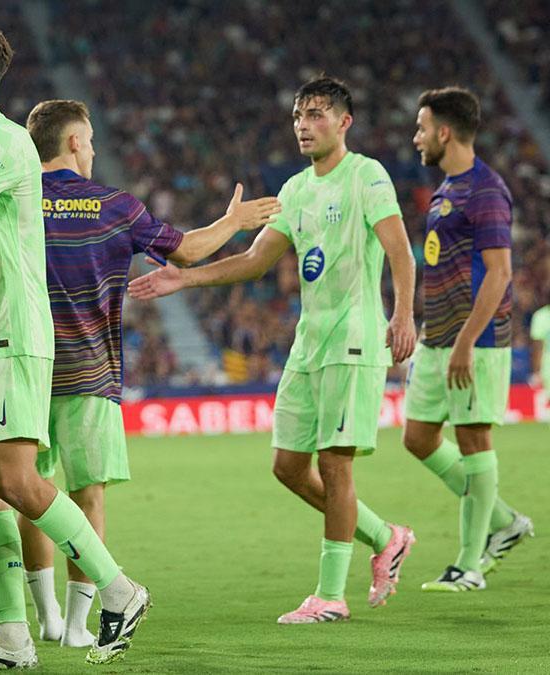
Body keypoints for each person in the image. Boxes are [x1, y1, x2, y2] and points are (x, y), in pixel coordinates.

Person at [0, 20, 149, 669]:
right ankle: (13, 632)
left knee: (13, 475)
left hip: (8, 332)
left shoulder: (0, 144)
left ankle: (120, 589)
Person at [131, 76, 418, 624]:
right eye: (298, 116)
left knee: (335, 466)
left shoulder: (367, 176)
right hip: (309, 342)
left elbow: (399, 250)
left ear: (344, 122)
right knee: (288, 467)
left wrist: (402, 313)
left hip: (355, 336)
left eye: (316, 115)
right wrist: (184, 279)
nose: (304, 126)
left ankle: (330, 596)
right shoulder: (295, 190)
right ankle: (386, 536)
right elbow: (254, 261)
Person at [18, 99, 280, 647]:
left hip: (22, 369)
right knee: (86, 495)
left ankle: (40, 619)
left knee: (30, 490)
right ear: (73, 143)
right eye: (88, 142)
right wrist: (232, 222)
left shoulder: (12, 196)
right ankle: (74, 627)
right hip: (90, 372)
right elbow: (188, 251)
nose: (91, 150)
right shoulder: (114, 206)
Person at [406, 86, 533, 591]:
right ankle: (503, 521)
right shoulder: (444, 189)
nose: (415, 138)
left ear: (444, 131)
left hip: (474, 344)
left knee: (473, 440)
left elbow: (500, 274)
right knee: (417, 437)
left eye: (421, 128)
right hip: (436, 339)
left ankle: (468, 565)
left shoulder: (486, 189)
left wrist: (464, 341)